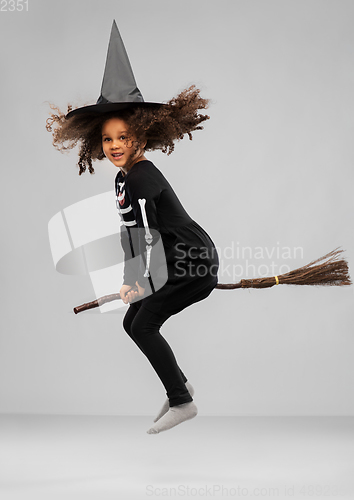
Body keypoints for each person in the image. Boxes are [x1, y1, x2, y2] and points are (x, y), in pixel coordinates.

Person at [46, 21, 219, 434]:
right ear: (97, 144)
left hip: (190, 262)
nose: (116, 145)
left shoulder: (141, 176)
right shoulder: (123, 178)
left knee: (142, 324)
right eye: (108, 140)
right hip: (170, 259)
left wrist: (140, 283)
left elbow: (149, 239)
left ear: (142, 135)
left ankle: (182, 401)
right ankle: (181, 384)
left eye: (124, 136)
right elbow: (132, 236)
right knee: (132, 322)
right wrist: (132, 281)